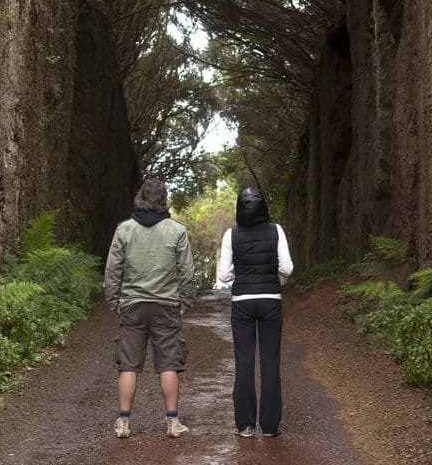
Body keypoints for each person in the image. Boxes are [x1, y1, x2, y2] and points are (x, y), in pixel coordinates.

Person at [103, 178, 198, 439]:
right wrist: (185, 302)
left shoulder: (124, 230)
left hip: (132, 305)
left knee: (129, 365)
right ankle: (172, 422)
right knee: (168, 362)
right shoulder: (176, 231)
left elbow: (113, 271)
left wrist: (115, 302)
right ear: (164, 199)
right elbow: (187, 272)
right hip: (166, 305)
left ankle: (124, 423)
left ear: (139, 197)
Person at [217, 187, 294, 438]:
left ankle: (245, 425)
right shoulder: (276, 230)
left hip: (242, 302)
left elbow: (224, 275)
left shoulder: (231, 235)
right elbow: (288, 268)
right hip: (271, 299)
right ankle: (270, 426)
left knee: (244, 361)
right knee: (270, 362)